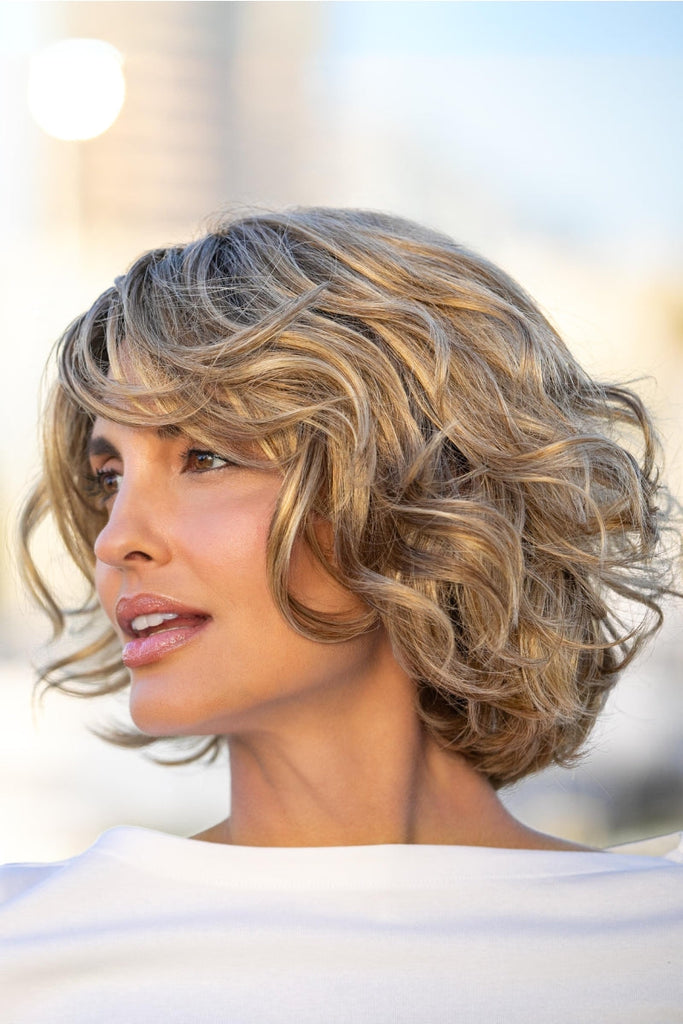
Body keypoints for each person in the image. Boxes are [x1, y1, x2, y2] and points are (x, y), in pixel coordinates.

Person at [1, 208, 681, 1022]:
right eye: (110, 474)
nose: (117, 541)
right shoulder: (27, 950)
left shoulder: (654, 948)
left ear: (424, 491)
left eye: (205, 457)